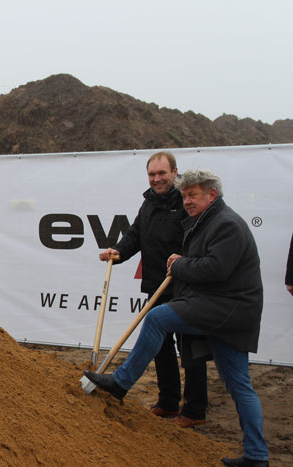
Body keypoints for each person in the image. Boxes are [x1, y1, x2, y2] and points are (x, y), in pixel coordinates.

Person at [84, 169, 268, 467]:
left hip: (227, 309)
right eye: (184, 196)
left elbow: (215, 269)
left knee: (158, 318)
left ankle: (121, 382)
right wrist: (181, 263)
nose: (187, 201)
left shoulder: (227, 224)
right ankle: (257, 456)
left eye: (193, 195)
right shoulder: (205, 222)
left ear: (212, 194)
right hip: (226, 310)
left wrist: (180, 264)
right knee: (239, 385)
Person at [99, 151, 208, 427]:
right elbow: (135, 235)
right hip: (156, 285)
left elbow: (197, 242)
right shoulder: (148, 203)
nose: (157, 179)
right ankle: (168, 402)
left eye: (162, 173)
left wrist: (184, 266)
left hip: (184, 285)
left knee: (190, 348)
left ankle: (194, 410)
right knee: (160, 346)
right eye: (152, 174)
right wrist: (118, 252)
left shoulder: (185, 202)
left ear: (174, 172)